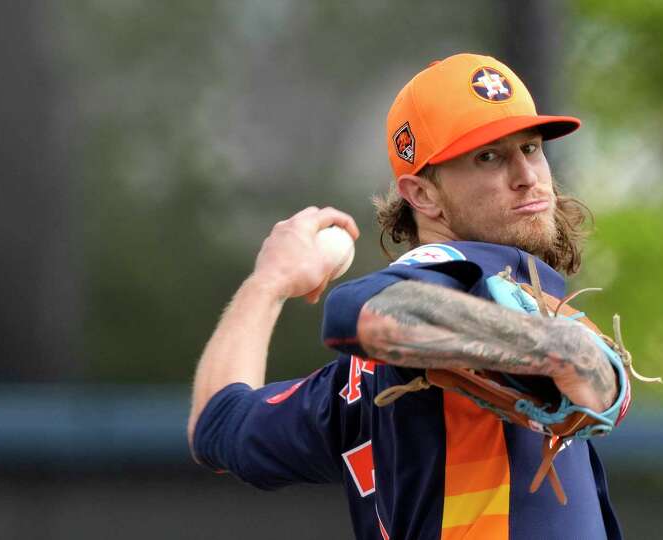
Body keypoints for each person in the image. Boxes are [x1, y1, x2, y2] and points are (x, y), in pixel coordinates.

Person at [190, 53, 627, 539]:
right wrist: (555, 350)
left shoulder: (350, 387)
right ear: (422, 195)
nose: (527, 175)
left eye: (530, 148)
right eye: (488, 156)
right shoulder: (471, 275)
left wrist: (267, 284)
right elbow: (366, 310)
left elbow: (218, 427)